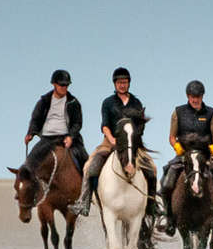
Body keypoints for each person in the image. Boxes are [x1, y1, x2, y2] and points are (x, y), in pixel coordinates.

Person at [69, 67, 164, 222]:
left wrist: (134, 141)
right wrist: (112, 139)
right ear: (115, 84)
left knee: (152, 168)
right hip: (110, 141)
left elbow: (140, 126)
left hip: (132, 143)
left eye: (125, 82)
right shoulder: (108, 102)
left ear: (129, 84)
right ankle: (83, 202)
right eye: (119, 82)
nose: (122, 85)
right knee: (90, 167)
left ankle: (152, 205)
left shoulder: (136, 102)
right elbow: (105, 125)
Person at [159, 80, 213, 229]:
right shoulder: (178, 112)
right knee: (167, 182)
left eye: (198, 96)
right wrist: (176, 145)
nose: (195, 99)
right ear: (188, 96)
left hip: (205, 155)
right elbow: (171, 136)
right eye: (192, 96)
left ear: (202, 96)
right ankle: (168, 217)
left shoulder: (211, 113)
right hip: (184, 154)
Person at [24, 69, 87, 172]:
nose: (64, 88)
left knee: (85, 160)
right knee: (30, 162)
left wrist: (71, 136)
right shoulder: (44, 101)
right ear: (54, 84)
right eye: (61, 85)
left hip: (66, 137)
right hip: (47, 139)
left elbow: (77, 123)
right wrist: (31, 133)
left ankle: (90, 186)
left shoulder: (73, 102)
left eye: (66, 85)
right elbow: (36, 118)